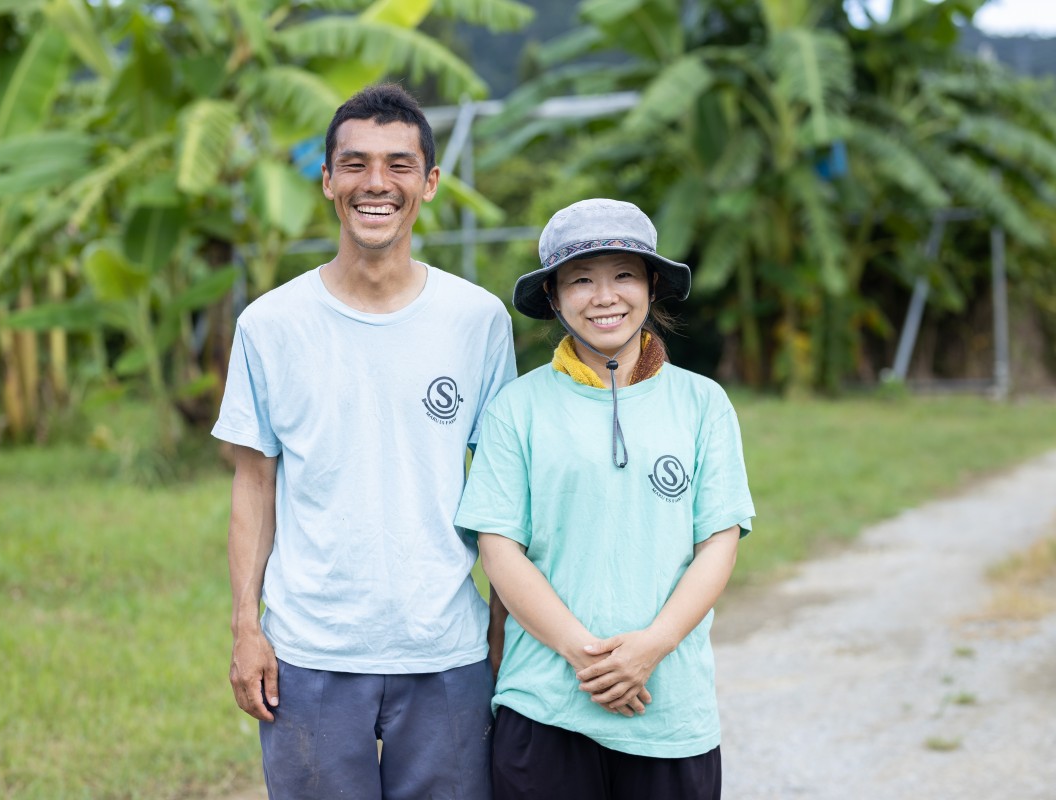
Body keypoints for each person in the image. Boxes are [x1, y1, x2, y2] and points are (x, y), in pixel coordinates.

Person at [212, 84, 516, 800]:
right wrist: (245, 628)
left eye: (398, 165)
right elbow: (253, 484)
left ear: (430, 183)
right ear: (326, 180)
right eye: (354, 164)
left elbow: (505, 491)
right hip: (310, 656)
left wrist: (505, 636)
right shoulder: (271, 324)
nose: (376, 183)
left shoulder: (477, 320)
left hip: (446, 651)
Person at [454, 198, 755, 800]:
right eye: (580, 280)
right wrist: (584, 655)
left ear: (650, 285)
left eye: (623, 274)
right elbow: (499, 546)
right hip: (545, 704)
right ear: (555, 298)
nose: (604, 296)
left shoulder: (703, 404)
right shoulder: (518, 408)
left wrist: (652, 646)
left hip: (667, 710)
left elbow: (719, 542)